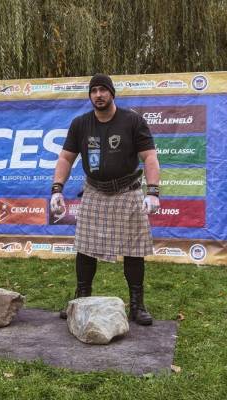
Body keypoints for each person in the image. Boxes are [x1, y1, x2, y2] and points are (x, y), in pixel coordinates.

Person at [50, 73, 160, 325]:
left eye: (103, 90)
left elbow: (150, 157)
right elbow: (65, 158)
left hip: (128, 191)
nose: (98, 95)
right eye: (94, 91)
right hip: (95, 191)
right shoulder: (80, 124)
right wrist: (57, 189)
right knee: (85, 248)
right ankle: (80, 299)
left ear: (112, 93)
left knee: (134, 249)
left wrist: (153, 191)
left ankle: (137, 305)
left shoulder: (132, 121)